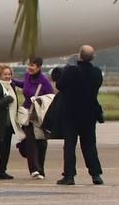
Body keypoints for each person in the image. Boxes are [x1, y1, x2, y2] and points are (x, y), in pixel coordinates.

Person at [55, 45, 105, 185]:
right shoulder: (96, 73)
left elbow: (60, 85)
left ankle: (69, 175)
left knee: (70, 145)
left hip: (71, 113)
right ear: (92, 57)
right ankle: (95, 174)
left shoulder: (71, 71)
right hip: (89, 113)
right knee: (89, 144)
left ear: (79, 56)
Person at [16, 56, 56, 178]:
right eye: (29, 65)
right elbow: (25, 85)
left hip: (39, 115)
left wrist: (39, 101)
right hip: (27, 114)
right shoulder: (27, 76)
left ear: (39, 67)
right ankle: (34, 169)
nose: (29, 67)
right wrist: (11, 82)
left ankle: (41, 169)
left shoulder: (44, 82)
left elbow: (51, 98)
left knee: (42, 143)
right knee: (30, 141)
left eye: (32, 65)